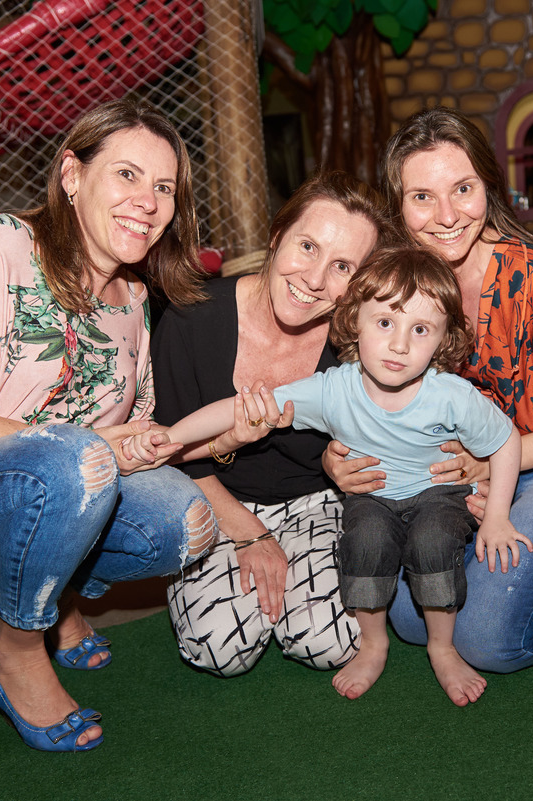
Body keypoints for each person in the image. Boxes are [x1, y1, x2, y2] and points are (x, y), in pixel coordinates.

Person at [0, 99, 217, 752]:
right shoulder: (2, 243)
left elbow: (121, 440)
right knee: (75, 461)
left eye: (164, 186)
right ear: (72, 175)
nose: (149, 200)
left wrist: (160, 440)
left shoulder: (135, 299)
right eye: (128, 175)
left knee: (186, 525)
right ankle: (16, 648)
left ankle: (58, 592)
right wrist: (86, 448)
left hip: (61, 479)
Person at [325, 106, 533, 674]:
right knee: (405, 615)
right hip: (461, 475)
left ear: (488, 187)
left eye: (463, 189)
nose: (447, 215)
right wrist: (336, 455)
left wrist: (485, 467)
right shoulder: (400, 281)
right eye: (422, 197)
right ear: (398, 205)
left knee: (487, 640)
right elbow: (359, 385)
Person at [147, 247, 530, 706]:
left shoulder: (452, 395)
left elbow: (506, 441)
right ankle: (373, 643)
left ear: (444, 339)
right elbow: (235, 409)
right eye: (385, 323)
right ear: (355, 323)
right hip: (371, 497)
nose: (400, 344)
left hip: (437, 494)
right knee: (364, 538)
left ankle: (442, 647)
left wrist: (497, 517)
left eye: (421, 329)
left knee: (431, 541)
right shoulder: (333, 389)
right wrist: (170, 438)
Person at [152, 171, 391, 678]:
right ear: (277, 235)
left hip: (315, 502)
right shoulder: (190, 319)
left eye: (342, 266)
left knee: (328, 643)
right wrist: (248, 531)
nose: (315, 279)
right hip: (210, 496)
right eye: (307, 246)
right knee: (216, 649)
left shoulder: (360, 346)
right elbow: (162, 452)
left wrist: (343, 462)